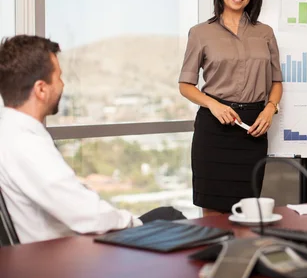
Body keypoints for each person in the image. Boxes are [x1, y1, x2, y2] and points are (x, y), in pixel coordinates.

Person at [0, 35, 185, 244]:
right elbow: (88, 215)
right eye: (58, 77)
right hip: (72, 254)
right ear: (41, 89)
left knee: (166, 215)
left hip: (62, 247)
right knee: (172, 219)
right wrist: (136, 225)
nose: (62, 85)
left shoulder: (9, 132)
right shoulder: (26, 144)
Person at [178, 0, 283, 216]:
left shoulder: (265, 33)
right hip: (214, 130)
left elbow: (277, 81)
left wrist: (270, 109)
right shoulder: (201, 33)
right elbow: (185, 85)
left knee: (249, 214)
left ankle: (241, 256)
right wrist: (213, 104)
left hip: (253, 130)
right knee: (213, 218)